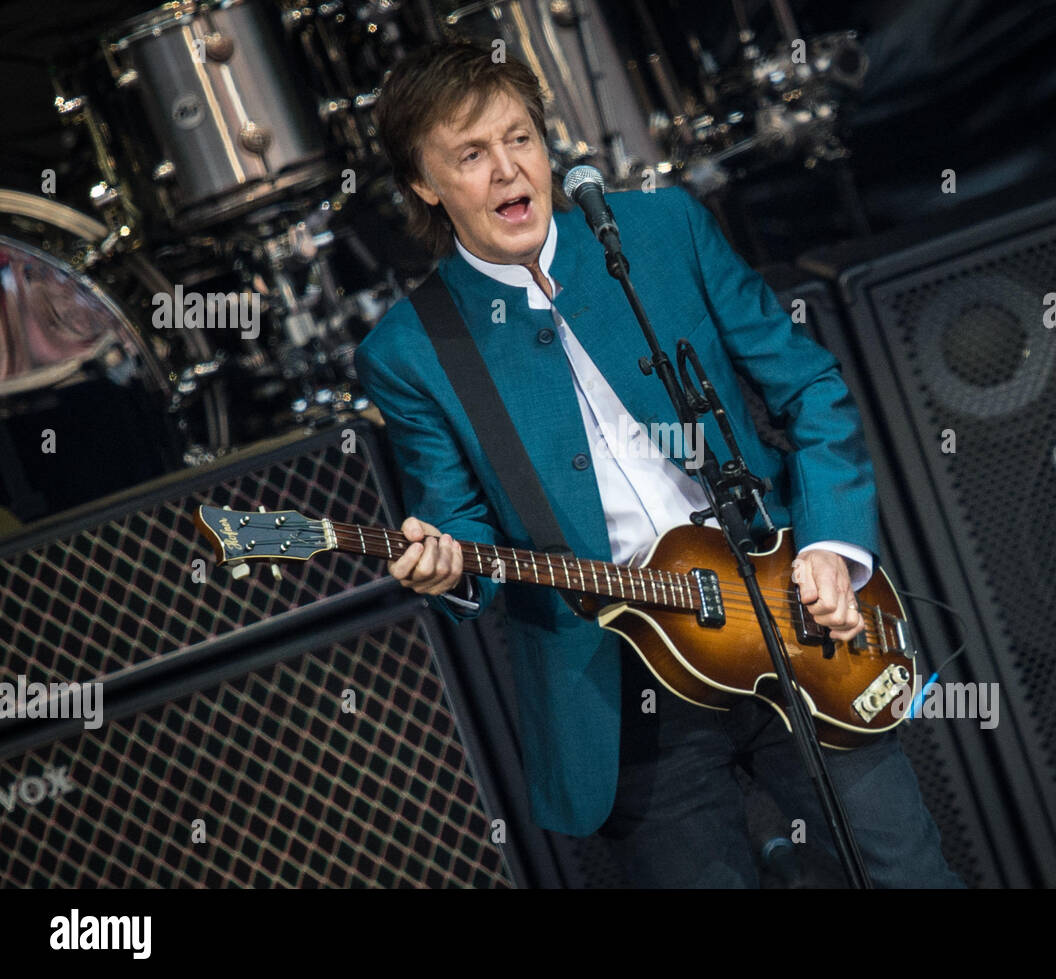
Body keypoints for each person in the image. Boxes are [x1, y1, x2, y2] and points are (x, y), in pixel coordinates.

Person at [354, 41, 964, 888]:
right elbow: (457, 525)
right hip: (622, 692)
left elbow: (811, 387)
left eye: (520, 138)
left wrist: (832, 546)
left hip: (783, 616)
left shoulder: (660, 228)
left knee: (909, 873)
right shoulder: (415, 347)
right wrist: (446, 566)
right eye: (470, 154)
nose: (506, 170)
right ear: (424, 186)